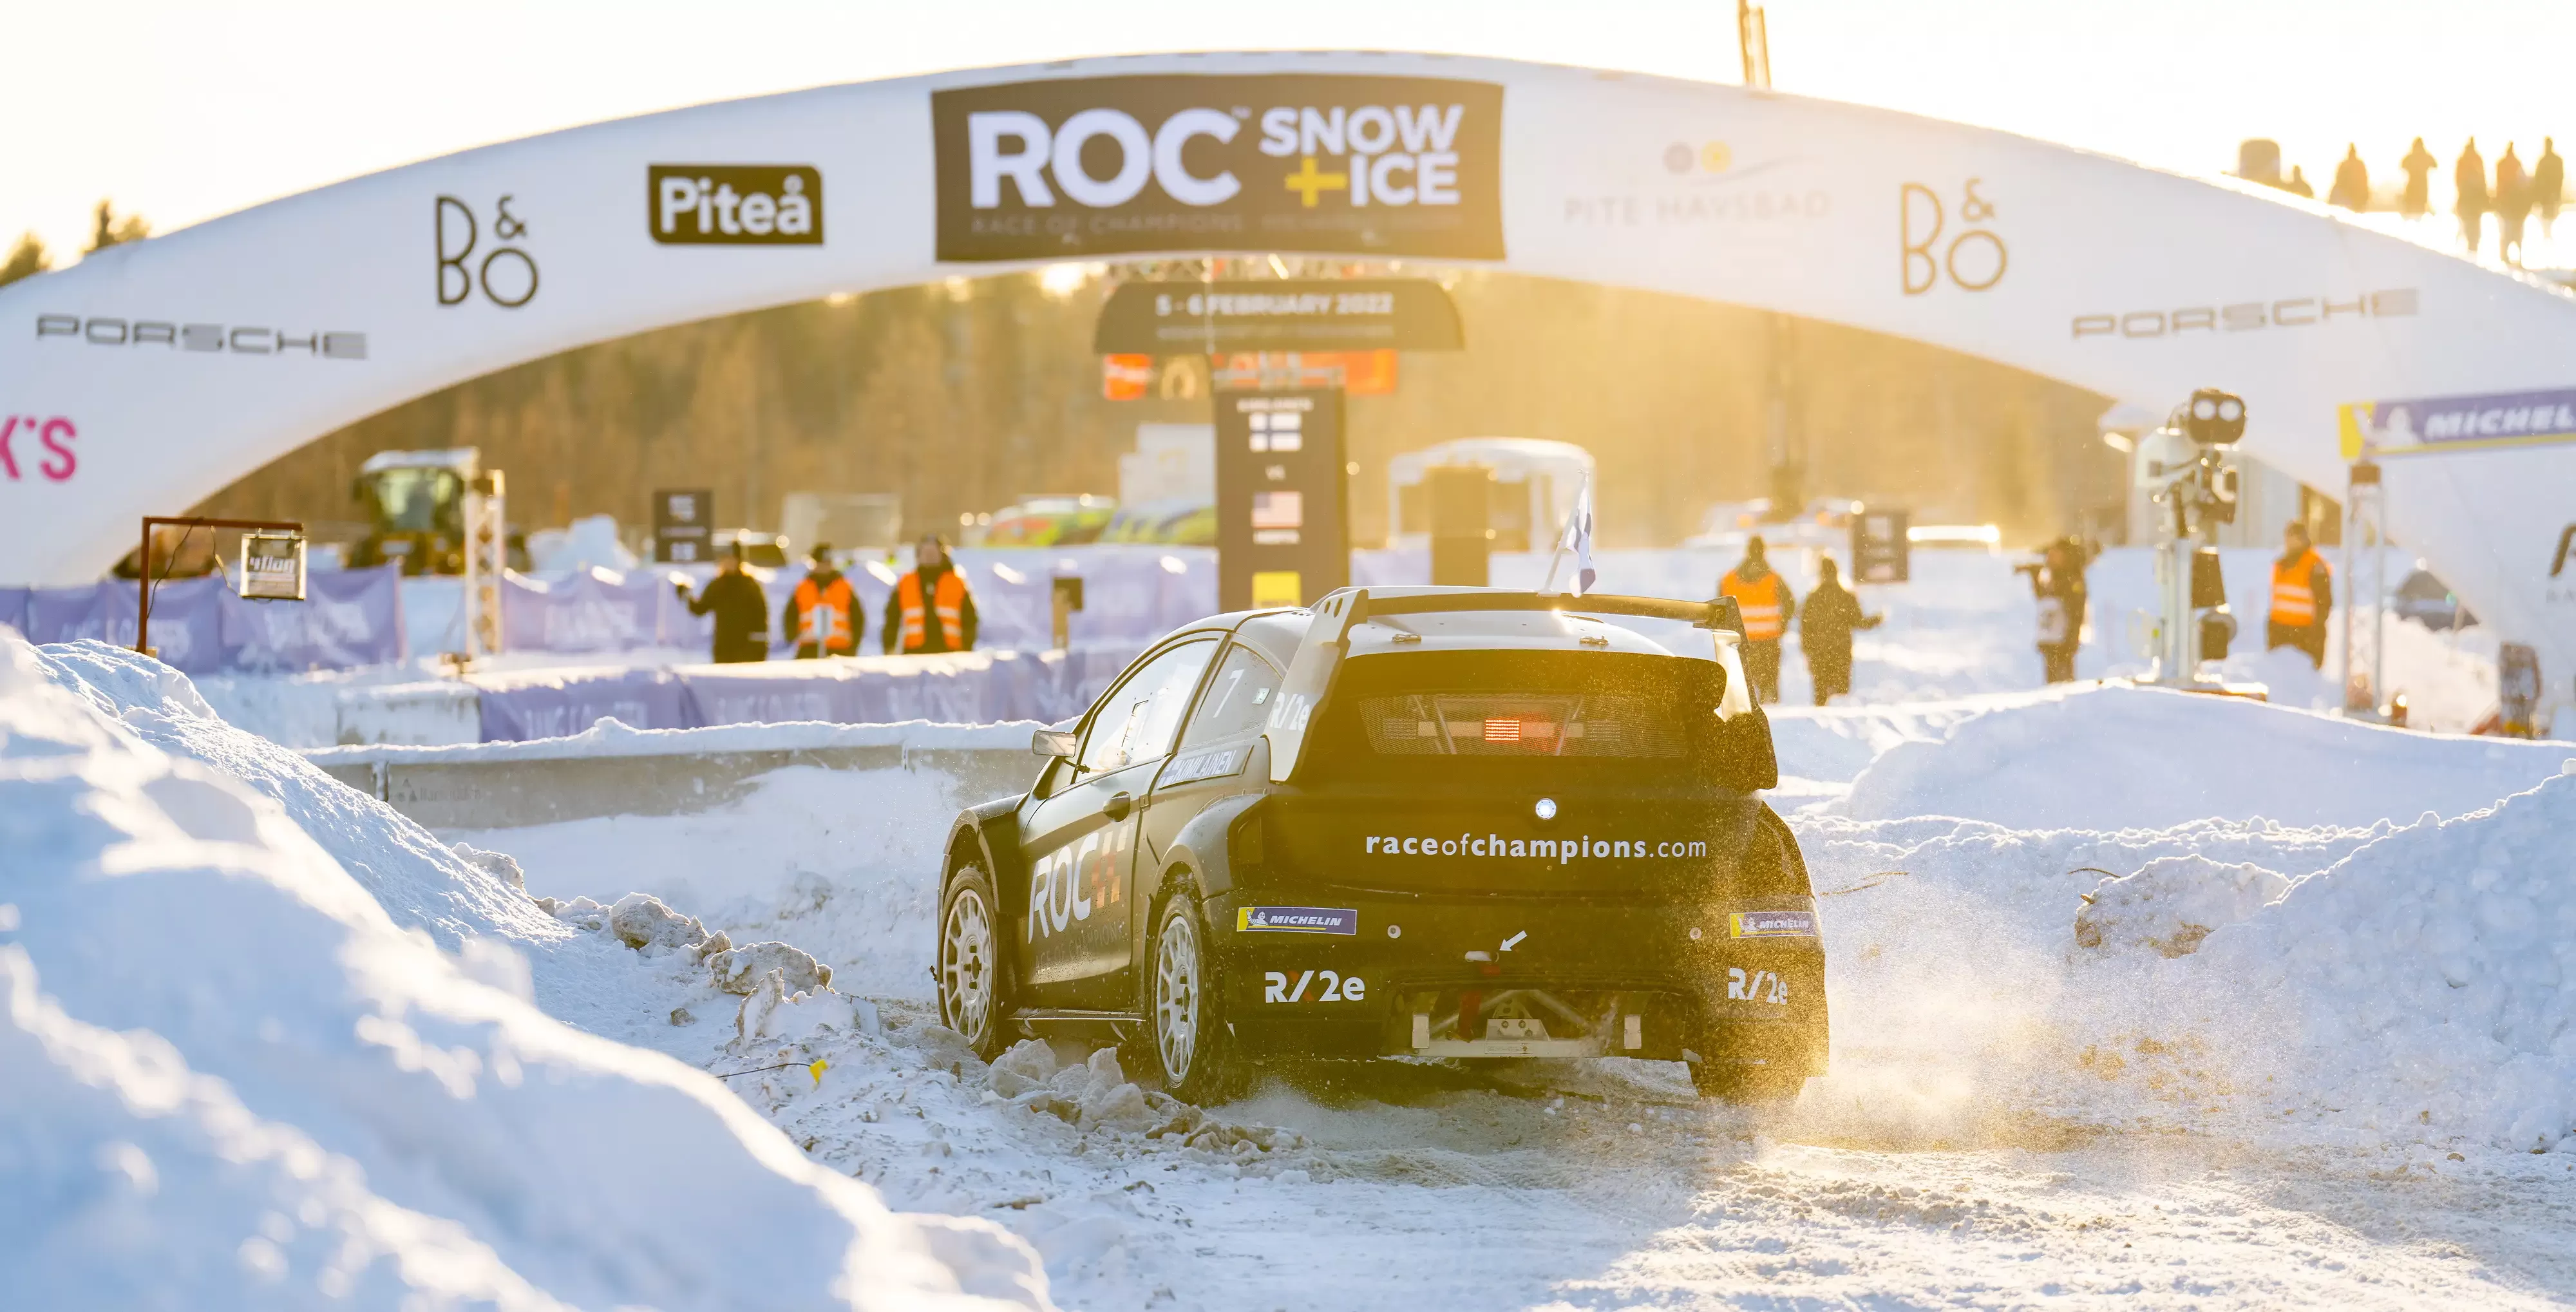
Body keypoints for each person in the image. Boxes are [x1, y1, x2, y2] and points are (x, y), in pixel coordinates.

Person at [1718, 535, 1794, 704]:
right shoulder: (1774, 579)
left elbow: (1719, 608)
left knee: (1744, 687)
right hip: (1769, 642)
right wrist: (1782, 625)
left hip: (1741, 642)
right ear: (1764, 551)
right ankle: (1771, 710)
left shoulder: (1729, 580)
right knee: (1769, 687)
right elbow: (1790, 603)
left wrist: (1727, 632)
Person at [1798, 556, 1881, 707]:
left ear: (1821, 574)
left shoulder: (1812, 599)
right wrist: (1876, 620)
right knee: (1841, 698)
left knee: (1821, 698)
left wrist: (1808, 651)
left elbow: (1805, 630)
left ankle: (1822, 719)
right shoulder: (1846, 597)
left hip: (1819, 655)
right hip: (1841, 653)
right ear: (1837, 573)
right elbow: (1859, 622)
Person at [884, 533, 979, 654]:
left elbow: (970, 619)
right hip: (914, 654)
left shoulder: (956, 583)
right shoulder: (906, 583)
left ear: (942, 555)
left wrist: (967, 648)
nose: (929, 556)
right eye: (925, 552)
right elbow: (892, 619)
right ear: (918, 556)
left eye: (933, 552)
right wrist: (889, 647)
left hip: (949, 653)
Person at [676, 540, 769, 663]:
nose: (728, 563)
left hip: (747, 650)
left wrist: (759, 645)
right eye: (725, 559)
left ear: (739, 561)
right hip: (724, 650)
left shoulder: (750, 586)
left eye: (732, 559)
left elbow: (761, 615)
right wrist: (686, 595)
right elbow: (700, 609)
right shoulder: (717, 586)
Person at [2267, 522, 2334, 669]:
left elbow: (2324, 604)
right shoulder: (2281, 564)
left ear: (2303, 539)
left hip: (2305, 636)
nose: (2290, 541)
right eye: (2288, 537)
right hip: (2280, 634)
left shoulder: (2315, 565)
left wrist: (2315, 636)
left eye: (2295, 537)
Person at [782, 542, 859, 659]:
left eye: (827, 563)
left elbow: (857, 618)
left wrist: (854, 646)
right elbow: (791, 615)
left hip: (840, 650)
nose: (824, 567)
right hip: (809, 649)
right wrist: (791, 636)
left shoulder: (844, 587)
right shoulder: (803, 588)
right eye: (820, 563)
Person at [2030, 538, 2087, 685]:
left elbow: (2076, 611)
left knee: (2063, 683)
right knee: (2054, 683)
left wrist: (2072, 637)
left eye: (2055, 554)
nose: (2050, 557)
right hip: (2051, 637)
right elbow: (2044, 598)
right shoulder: (2054, 575)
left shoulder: (2071, 578)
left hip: (2063, 639)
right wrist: (2034, 576)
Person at [2494, 143, 2531, 266]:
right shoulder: (2517, 164)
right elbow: (2524, 184)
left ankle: (2505, 258)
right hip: (2515, 207)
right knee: (2516, 234)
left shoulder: (2501, 164)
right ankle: (2516, 258)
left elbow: (2499, 186)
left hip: (2507, 206)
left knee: (2506, 233)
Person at [2456, 138, 2488, 254]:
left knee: (2467, 231)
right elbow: (2483, 181)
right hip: (2471, 203)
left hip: (2468, 203)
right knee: (2471, 232)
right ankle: (2469, 253)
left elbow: (2458, 181)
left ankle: (2467, 254)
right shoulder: (2474, 160)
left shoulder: (2463, 160)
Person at [2400, 137, 2436, 219]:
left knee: (2414, 208)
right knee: (2418, 208)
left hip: (2415, 187)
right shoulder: (2425, 156)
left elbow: (2402, 165)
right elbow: (2435, 165)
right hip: (2420, 187)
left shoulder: (2411, 156)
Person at [2327, 144, 2371, 212]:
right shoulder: (2357, 164)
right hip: (2350, 195)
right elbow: (2365, 180)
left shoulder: (2347, 164)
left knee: (2351, 211)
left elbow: (2339, 179)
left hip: (2352, 195)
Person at [2537, 138, 2564, 238]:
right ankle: (2548, 239)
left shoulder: (2544, 161)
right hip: (2549, 197)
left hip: (2549, 197)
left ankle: (2549, 239)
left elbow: (2538, 178)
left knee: (2550, 222)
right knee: (2549, 222)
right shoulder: (2555, 160)